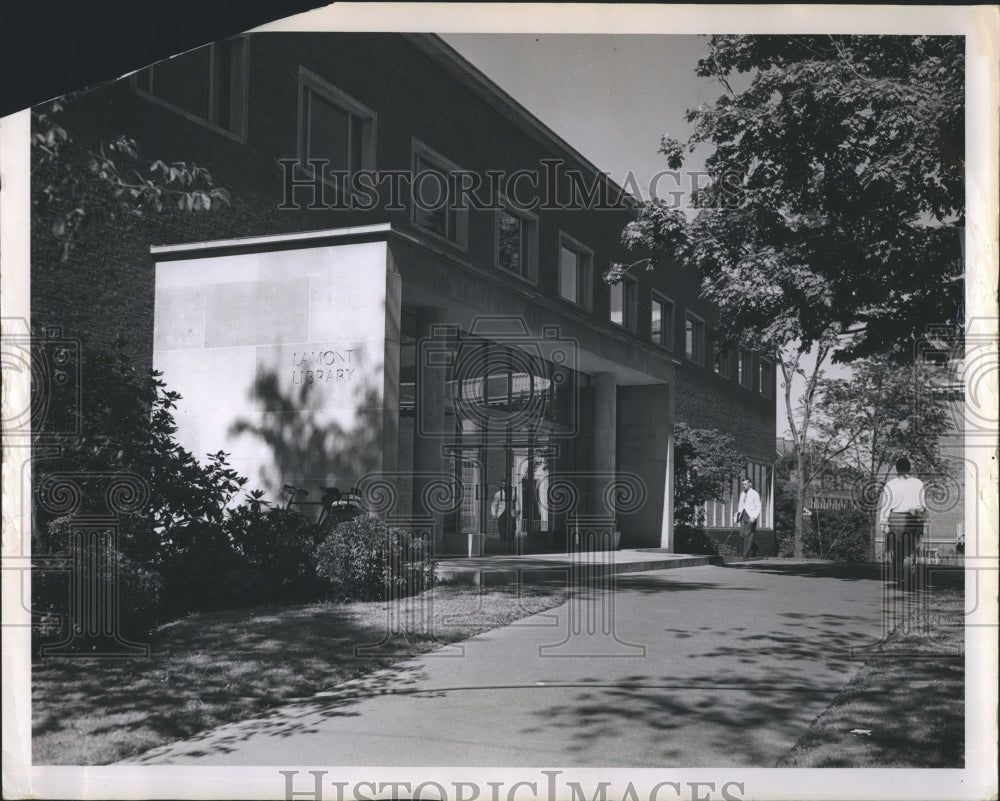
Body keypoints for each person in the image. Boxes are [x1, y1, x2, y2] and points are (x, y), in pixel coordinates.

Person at [879, 457, 926, 583]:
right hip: (913, 518)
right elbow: (922, 504)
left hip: (895, 518)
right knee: (910, 551)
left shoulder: (890, 485)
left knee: (897, 550)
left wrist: (883, 522)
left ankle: (900, 576)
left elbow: (886, 505)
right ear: (909, 468)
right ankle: (909, 577)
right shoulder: (918, 483)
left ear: (896, 469)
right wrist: (922, 520)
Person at [734, 477, 762, 558]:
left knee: (748, 535)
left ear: (750, 484)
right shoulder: (742, 494)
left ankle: (745, 555)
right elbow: (740, 505)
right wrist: (738, 517)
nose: (744, 486)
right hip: (743, 516)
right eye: (743, 484)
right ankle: (751, 548)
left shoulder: (755, 494)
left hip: (751, 516)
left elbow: (759, 506)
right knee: (742, 534)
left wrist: (754, 516)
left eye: (745, 484)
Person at [490, 478, 520, 553]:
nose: (504, 486)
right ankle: (503, 546)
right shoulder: (498, 494)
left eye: (505, 484)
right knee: (502, 529)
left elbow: (517, 502)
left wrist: (518, 511)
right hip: (502, 513)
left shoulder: (513, 493)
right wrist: (494, 514)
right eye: (503, 484)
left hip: (511, 513)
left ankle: (510, 544)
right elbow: (494, 504)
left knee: (512, 529)